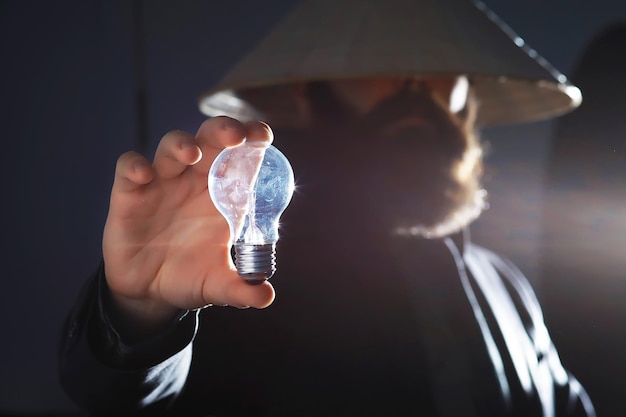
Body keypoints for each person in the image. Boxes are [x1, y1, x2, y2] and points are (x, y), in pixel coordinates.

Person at [58, 0, 596, 416]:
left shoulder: (507, 290)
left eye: (437, 65)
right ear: (306, 93)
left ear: (469, 93)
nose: (413, 84)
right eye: (383, 60)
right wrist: (141, 317)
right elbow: (127, 397)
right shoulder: (227, 275)